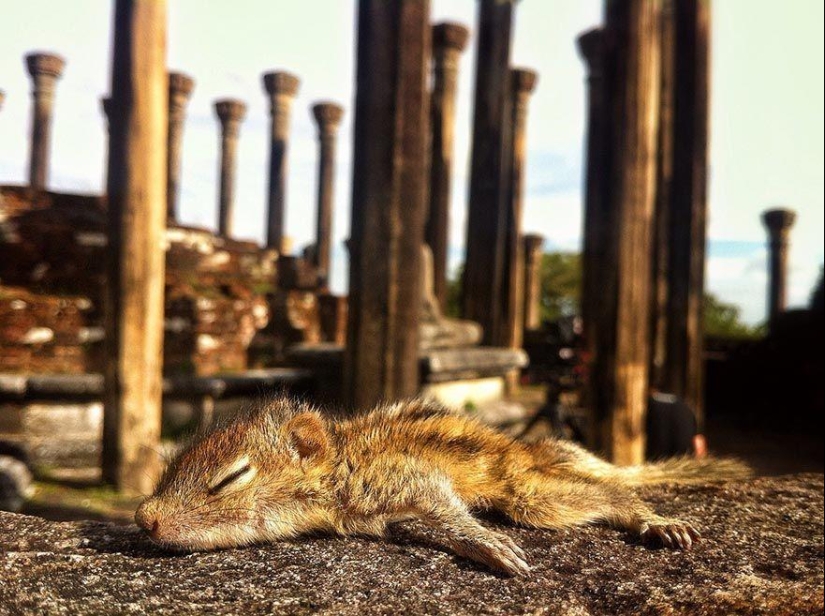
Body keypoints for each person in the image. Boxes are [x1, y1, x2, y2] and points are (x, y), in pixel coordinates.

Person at [645, 389, 707, 460]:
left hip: (656, 457)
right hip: (683, 457)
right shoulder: (683, 404)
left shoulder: (646, 404)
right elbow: (699, 441)